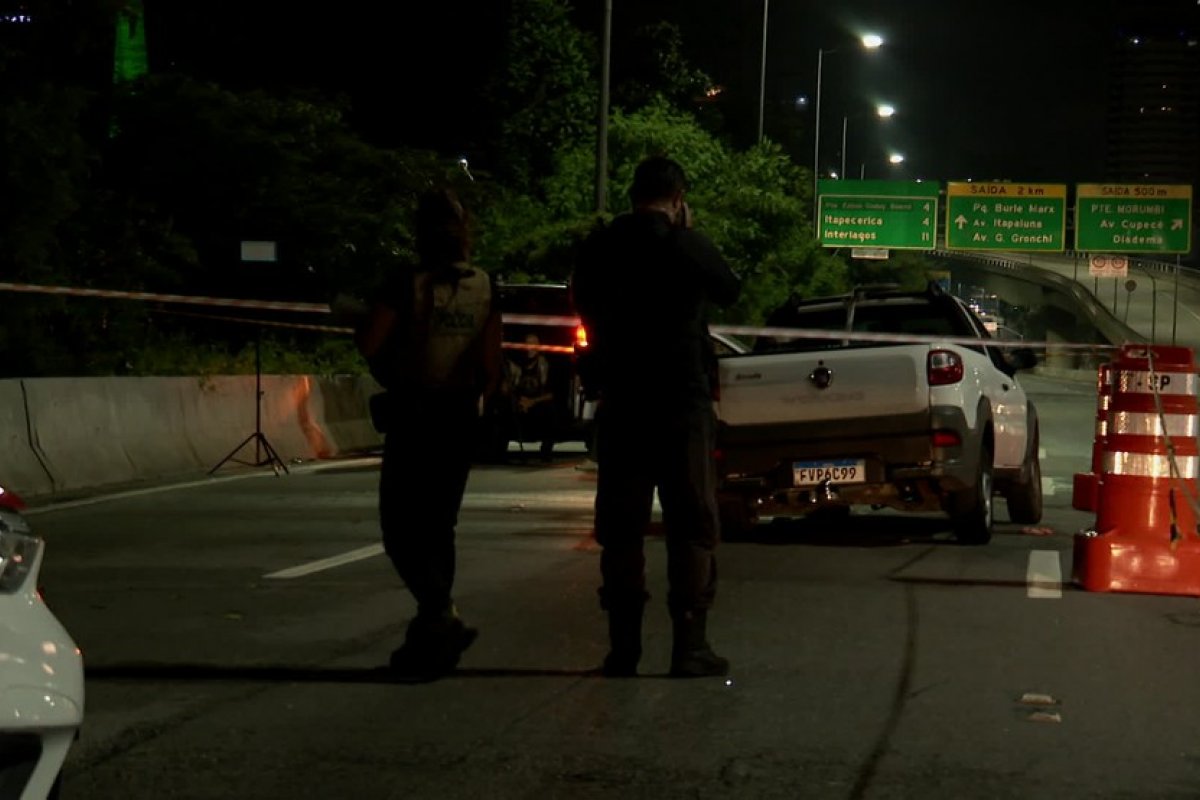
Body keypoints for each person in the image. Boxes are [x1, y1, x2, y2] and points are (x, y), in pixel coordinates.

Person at [571, 155, 741, 678]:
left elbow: (580, 303)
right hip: (680, 403)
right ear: (678, 197)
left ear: (631, 194)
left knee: (621, 529)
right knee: (690, 525)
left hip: (622, 403)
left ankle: (624, 649)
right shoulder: (685, 244)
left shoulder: (599, 247)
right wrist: (687, 235)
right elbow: (730, 289)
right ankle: (688, 646)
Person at [355, 188, 502, 681]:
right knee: (440, 525)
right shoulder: (484, 285)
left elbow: (371, 340)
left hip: (414, 415)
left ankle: (438, 612)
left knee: (399, 527)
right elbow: (490, 363)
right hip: (459, 418)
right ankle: (436, 624)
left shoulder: (405, 282)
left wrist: (391, 370)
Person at [505, 332, 558, 459]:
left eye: (534, 343)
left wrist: (533, 401)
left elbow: (552, 393)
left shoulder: (544, 365)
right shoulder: (515, 364)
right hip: (519, 403)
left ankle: (546, 452)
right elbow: (507, 388)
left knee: (550, 410)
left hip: (537, 404)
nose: (531, 347)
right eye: (528, 343)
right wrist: (517, 400)